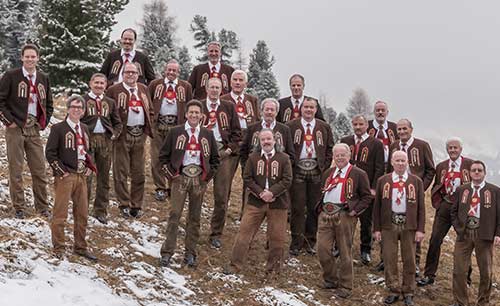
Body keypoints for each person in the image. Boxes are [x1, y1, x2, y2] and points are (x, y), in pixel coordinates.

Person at [159, 100, 219, 267]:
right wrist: (172, 175)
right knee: (174, 214)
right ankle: (167, 252)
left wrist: (206, 178)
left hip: (199, 179)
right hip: (180, 177)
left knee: (195, 217)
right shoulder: (175, 132)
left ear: (201, 116)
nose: (194, 115)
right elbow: (163, 157)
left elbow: (215, 160)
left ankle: (190, 253)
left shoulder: (207, 134)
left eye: (197, 113)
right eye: (191, 112)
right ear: (186, 114)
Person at [0, 44, 53, 219]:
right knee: (16, 170)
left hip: (34, 129)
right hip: (15, 128)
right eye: (27, 56)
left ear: (38, 58)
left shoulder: (43, 78)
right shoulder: (11, 76)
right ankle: (19, 207)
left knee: (39, 169)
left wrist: (42, 123)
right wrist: (10, 121)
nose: (30, 59)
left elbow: (49, 104)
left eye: (33, 56)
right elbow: (1, 100)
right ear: (22, 58)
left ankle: (42, 206)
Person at [229, 129, 292, 274]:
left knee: (277, 238)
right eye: (263, 140)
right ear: (259, 142)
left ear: (274, 140)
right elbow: (247, 178)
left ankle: (273, 270)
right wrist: (260, 192)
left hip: (278, 203)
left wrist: (272, 192)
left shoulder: (284, 158)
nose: (266, 142)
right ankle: (235, 266)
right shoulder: (253, 157)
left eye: (269, 139)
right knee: (244, 234)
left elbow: (287, 179)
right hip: (255, 203)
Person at [316, 143, 372, 299]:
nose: (340, 157)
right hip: (326, 214)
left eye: (343, 154)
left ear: (349, 156)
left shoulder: (358, 173)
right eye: (337, 155)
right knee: (322, 248)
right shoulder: (329, 172)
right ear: (333, 157)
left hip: (344, 214)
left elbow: (367, 196)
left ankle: (346, 285)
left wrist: (354, 211)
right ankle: (330, 279)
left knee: (345, 250)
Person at [45, 95, 97, 261]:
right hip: (65, 176)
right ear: (68, 109)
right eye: (73, 107)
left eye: (79, 108)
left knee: (82, 213)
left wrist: (90, 167)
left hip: (82, 176)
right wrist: (62, 172)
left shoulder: (84, 128)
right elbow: (50, 153)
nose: (76, 110)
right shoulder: (58, 128)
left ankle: (80, 247)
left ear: (83, 111)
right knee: (60, 213)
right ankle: (59, 247)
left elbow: (88, 151)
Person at [418, 137, 473, 286]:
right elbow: (437, 185)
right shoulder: (441, 166)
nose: (453, 150)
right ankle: (429, 275)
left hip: (463, 208)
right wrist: (439, 203)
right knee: (435, 239)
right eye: (450, 148)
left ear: (460, 149)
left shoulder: (469, 164)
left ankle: (466, 278)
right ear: (447, 150)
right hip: (445, 205)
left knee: (464, 242)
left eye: (455, 148)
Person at [373, 151, 425, 306]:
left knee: (409, 258)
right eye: (397, 160)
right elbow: (377, 207)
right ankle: (393, 289)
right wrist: (377, 229)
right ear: (392, 162)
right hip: (389, 224)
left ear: (407, 162)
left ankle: (408, 290)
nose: (400, 163)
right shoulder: (384, 180)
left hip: (409, 225)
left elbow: (421, 207)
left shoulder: (416, 181)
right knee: (389, 258)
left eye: (403, 160)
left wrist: (420, 229)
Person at [106, 62, 154, 218]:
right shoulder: (114, 90)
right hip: (122, 135)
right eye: (127, 72)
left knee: (139, 172)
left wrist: (148, 127)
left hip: (140, 134)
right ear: (123, 74)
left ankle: (136, 205)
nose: (131, 75)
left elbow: (150, 110)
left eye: (133, 72)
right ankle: (124, 204)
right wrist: (114, 130)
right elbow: (107, 111)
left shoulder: (143, 89)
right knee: (121, 171)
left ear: (138, 74)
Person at [287, 97, 334, 256]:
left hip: (316, 170)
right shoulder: (291, 126)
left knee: (314, 207)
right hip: (298, 169)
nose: (308, 110)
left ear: (316, 109)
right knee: (298, 207)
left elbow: (329, 149)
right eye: (306, 107)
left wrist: (324, 167)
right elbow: (286, 148)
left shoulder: (324, 127)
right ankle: (296, 242)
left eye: (311, 107)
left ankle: (310, 241)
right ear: (301, 108)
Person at [388, 118, 435, 274]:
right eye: (399, 129)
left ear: (411, 129)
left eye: (404, 129)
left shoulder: (422, 145)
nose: (401, 132)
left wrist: (421, 188)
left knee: (414, 226)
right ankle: (387, 260)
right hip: (396, 191)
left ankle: (414, 262)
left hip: (414, 193)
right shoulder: (394, 146)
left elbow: (430, 170)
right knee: (393, 223)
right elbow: (389, 168)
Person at [450, 160, 500, 306]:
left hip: (484, 235)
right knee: (459, 270)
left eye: (479, 170)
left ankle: (483, 301)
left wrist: (498, 233)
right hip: (464, 234)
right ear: (470, 173)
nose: (476, 172)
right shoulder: (462, 189)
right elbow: (453, 211)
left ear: (484, 173)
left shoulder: (495, 191)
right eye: (474, 170)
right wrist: (458, 227)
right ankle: (460, 302)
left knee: (485, 272)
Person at [201, 77, 242, 248]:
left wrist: (229, 150)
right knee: (197, 191)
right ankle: (192, 227)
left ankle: (216, 233)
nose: (214, 90)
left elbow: (237, 133)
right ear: (206, 88)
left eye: (217, 87)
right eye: (211, 87)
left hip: (222, 153)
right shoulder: (198, 106)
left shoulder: (228, 107)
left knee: (221, 195)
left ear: (221, 90)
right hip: (201, 153)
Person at [340, 114, 384, 265]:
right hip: (349, 187)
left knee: (366, 221)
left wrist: (373, 187)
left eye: (361, 124)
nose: (358, 127)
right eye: (355, 124)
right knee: (344, 218)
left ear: (367, 125)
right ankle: (341, 246)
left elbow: (379, 167)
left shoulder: (376, 143)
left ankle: (365, 249)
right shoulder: (346, 141)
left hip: (366, 188)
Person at [81, 73, 122, 224]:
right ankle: (82, 209)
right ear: (90, 83)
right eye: (96, 82)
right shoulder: (83, 100)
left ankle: (100, 210)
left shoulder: (110, 102)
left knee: (104, 177)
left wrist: (114, 135)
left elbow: (117, 123)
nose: (99, 86)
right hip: (87, 142)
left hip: (105, 141)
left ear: (106, 85)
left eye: (101, 83)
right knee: (86, 176)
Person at [148, 59, 192, 201]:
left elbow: (190, 106)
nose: (171, 72)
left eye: (174, 70)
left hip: (176, 127)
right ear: (164, 70)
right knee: (157, 157)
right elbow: (148, 102)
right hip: (158, 126)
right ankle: (160, 187)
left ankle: (172, 186)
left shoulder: (185, 87)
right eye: (169, 70)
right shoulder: (155, 84)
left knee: (176, 158)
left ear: (179, 72)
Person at [368, 100, 398, 172]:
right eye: (378, 110)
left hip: (391, 167)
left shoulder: (394, 127)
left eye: (383, 110)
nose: (380, 112)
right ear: (374, 112)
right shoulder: (367, 126)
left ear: (387, 112)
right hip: (371, 167)